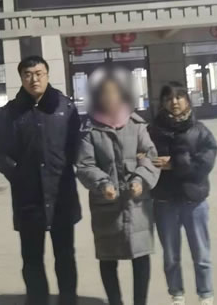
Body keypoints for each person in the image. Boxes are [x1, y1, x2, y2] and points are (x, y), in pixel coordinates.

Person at [0, 55, 81, 305]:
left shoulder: (65, 108)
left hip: (61, 195)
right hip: (28, 199)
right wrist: (18, 175)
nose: (34, 79)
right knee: (32, 259)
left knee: (65, 257)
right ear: (21, 78)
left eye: (39, 73)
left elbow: (78, 146)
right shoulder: (10, 112)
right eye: (28, 75)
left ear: (47, 75)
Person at [77, 67, 160, 305]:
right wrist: (102, 183)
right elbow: (84, 164)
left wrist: (140, 179)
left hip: (137, 202)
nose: (110, 98)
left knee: (141, 256)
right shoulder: (90, 129)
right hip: (107, 203)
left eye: (114, 92)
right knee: (107, 257)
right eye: (105, 93)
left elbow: (150, 157)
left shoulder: (136, 124)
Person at [149, 82, 217, 305]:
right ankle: (176, 294)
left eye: (179, 97)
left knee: (201, 253)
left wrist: (175, 164)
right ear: (162, 102)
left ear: (187, 100)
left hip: (193, 200)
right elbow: (144, 158)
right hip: (164, 200)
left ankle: (205, 294)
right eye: (169, 98)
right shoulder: (153, 131)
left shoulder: (200, 130)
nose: (174, 102)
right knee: (171, 256)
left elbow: (205, 163)